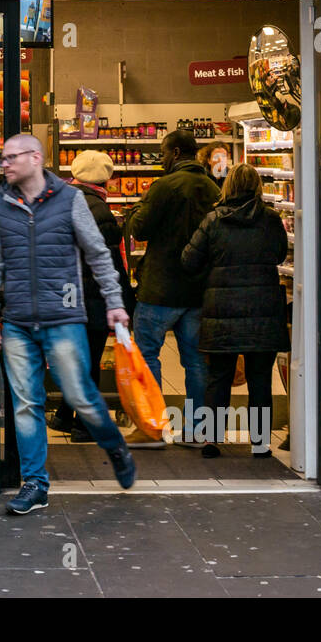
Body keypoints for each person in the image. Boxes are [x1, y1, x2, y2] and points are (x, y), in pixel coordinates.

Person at [0, 134, 136, 514]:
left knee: (80, 395)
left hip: (63, 318)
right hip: (16, 320)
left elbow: (99, 254)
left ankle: (112, 443)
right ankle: (36, 483)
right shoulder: (1, 205)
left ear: (36, 158)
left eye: (13, 157)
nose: (6, 164)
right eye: (4, 158)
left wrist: (114, 303)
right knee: (26, 404)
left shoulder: (70, 200)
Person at [180, 164, 290, 459]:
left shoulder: (213, 220)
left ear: (228, 186)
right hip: (262, 308)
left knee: (218, 376)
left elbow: (189, 260)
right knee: (259, 378)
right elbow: (280, 253)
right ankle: (260, 443)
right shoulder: (270, 220)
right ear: (256, 187)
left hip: (221, 308)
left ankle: (212, 439)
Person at [122, 127, 220, 443]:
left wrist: (136, 208)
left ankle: (153, 427)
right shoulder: (213, 188)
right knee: (195, 361)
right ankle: (196, 430)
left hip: (161, 289)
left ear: (175, 152)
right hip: (198, 290)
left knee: (148, 355)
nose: (162, 158)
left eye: (163, 152)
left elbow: (141, 229)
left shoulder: (165, 186)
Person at [47, 150, 139, 444]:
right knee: (89, 360)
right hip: (89, 299)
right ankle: (85, 427)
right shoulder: (100, 211)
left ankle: (64, 415)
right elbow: (110, 263)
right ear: (106, 180)